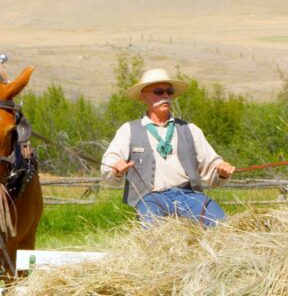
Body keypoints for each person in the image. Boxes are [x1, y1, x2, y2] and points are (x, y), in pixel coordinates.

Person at [101, 68, 236, 227]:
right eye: (158, 91)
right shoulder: (128, 130)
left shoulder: (191, 129)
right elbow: (109, 164)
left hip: (189, 195)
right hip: (150, 197)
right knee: (154, 234)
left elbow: (213, 169)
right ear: (143, 97)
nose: (165, 96)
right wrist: (117, 169)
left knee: (222, 225)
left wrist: (222, 172)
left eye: (169, 91)